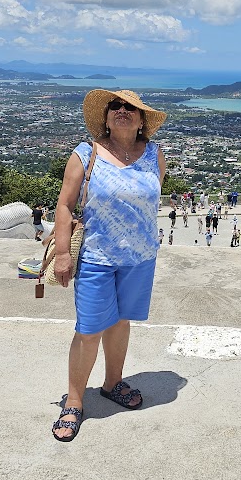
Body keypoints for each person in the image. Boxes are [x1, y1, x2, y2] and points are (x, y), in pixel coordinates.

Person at [49, 89, 167, 442]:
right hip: (97, 257)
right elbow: (65, 206)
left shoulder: (156, 155)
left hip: (140, 256)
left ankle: (113, 382)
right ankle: (73, 400)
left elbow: (149, 200)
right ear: (105, 116)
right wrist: (62, 252)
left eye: (131, 107)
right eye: (115, 106)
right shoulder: (86, 155)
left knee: (120, 321)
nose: (122, 110)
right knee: (89, 329)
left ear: (142, 119)